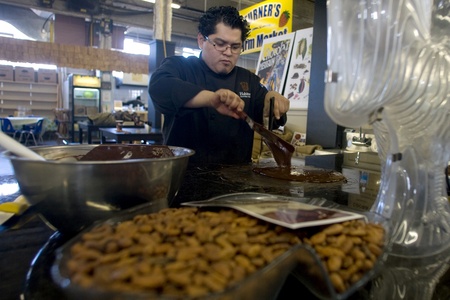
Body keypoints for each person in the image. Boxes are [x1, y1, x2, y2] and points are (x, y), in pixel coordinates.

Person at [149, 6, 290, 165]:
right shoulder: (180, 67)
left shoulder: (248, 80)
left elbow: (266, 111)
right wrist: (212, 98)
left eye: (235, 47)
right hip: (185, 177)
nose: (228, 52)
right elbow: (159, 87)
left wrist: (273, 100)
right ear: (201, 41)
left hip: (237, 179)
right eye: (220, 44)